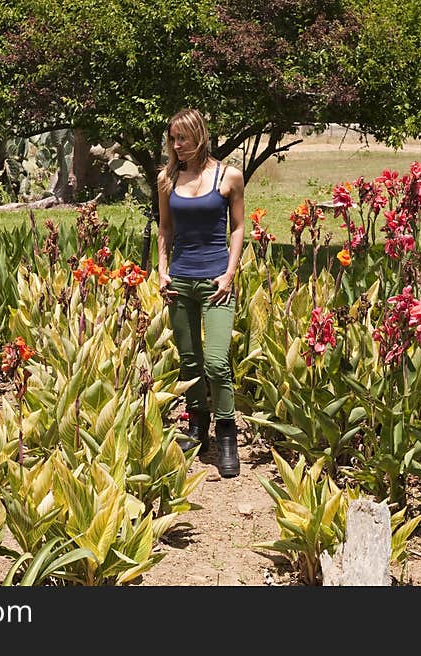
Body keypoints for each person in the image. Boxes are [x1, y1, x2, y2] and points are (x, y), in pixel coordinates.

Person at [156, 108, 245, 478]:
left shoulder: (229, 176)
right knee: (189, 362)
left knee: (216, 362)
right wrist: (161, 270)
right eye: (173, 140)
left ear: (200, 136)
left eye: (183, 139)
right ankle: (196, 428)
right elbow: (165, 229)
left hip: (215, 282)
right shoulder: (167, 178)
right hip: (179, 281)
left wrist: (229, 273)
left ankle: (226, 433)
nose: (177, 146)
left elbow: (238, 228)